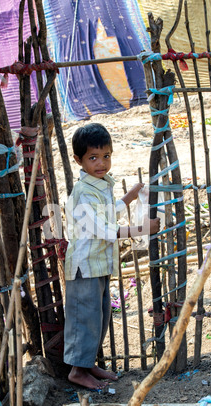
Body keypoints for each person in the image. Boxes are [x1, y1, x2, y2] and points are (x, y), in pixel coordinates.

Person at [63, 123, 160, 389]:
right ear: (78, 160)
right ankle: (77, 371)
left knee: (100, 316)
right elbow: (103, 230)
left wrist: (127, 199)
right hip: (84, 266)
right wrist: (142, 228)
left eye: (106, 156)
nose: (101, 163)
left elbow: (107, 212)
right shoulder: (82, 192)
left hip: (100, 264)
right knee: (85, 317)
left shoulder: (101, 184)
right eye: (93, 158)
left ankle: (87, 363)